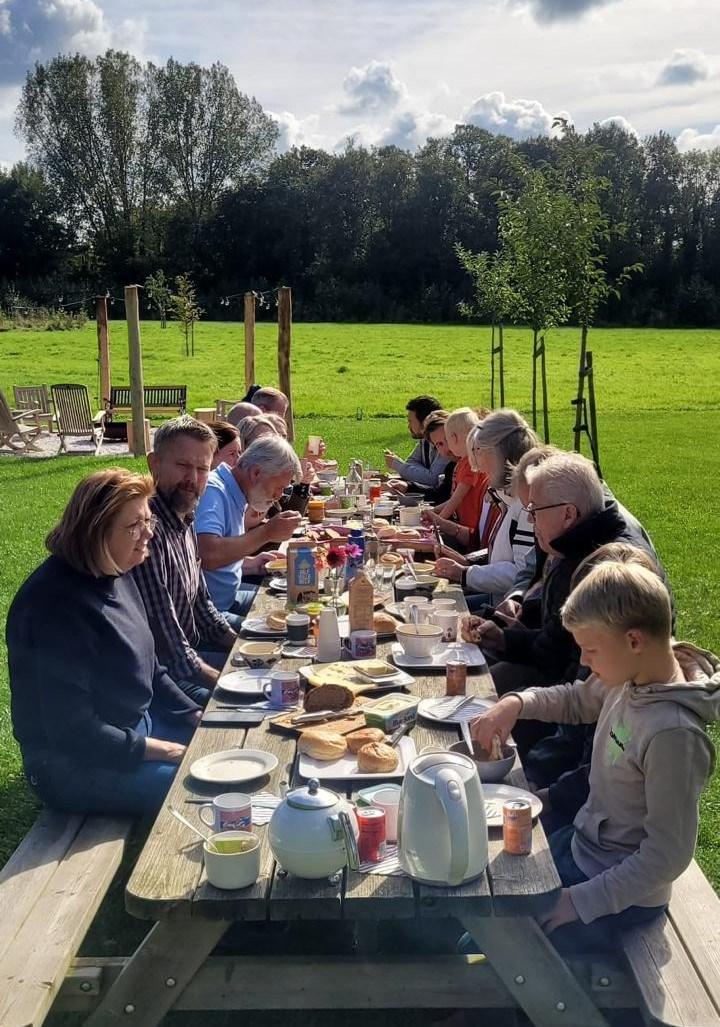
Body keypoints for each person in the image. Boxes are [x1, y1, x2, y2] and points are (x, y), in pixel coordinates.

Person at [471, 561, 719, 952]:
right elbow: (576, 700)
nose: (584, 662)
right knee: (485, 887)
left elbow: (667, 854)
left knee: (498, 944)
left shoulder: (673, 735)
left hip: (617, 895)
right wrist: (517, 703)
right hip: (582, 847)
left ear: (634, 640)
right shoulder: (631, 677)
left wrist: (579, 902)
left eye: (589, 650)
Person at [6, 469, 202, 817]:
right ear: (96, 531)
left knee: (224, 746)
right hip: (73, 765)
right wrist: (166, 750)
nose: (148, 534)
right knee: (201, 789)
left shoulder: (115, 570)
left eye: (149, 520)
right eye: (134, 526)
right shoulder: (55, 607)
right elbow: (73, 730)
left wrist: (193, 713)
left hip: (135, 728)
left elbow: (151, 668)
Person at [462, 451, 662, 698]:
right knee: (469, 678)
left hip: (593, 704)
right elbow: (556, 646)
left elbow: (583, 684)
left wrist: (520, 704)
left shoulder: (610, 570)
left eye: (534, 509)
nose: (529, 519)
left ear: (568, 513)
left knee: (476, 692)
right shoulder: (572, 540)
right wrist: (503, 639)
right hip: (562, 682)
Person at [132, 417, 237, 704]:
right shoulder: (147, 532)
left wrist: (241, 645)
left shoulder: (185, 516)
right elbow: (169, 647)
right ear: (154, 464)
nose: (192, 478)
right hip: (161, 680)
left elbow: (202, 605)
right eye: (182, 465)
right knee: (251, 704)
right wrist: (229, 681)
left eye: (202, 469)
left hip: (190, 657)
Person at [433, 409, 536, 607]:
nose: (477, 467)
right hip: (497, 599)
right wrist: (468, 561)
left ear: (498, 453)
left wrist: (466, 573)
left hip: (509, 609)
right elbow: (495, 551)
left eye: (478, 452)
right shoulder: (506, 497)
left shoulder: (526, 504)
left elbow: (522, 572)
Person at [196, 435, 302, 627]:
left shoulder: (235, 490)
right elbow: (208, 554)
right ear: (256, 473)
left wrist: (250, 564)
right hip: (210, 612)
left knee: (296, 605)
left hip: (230, 596)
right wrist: (266, 533)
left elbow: (211, 561)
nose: (278, 496)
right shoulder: (213, 490)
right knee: (284, 630)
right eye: (279, 487)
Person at [384, 395, 449, 491]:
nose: (408, 426)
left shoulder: (445, 444)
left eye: (410, 421)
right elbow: (411, 462)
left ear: (424, 422)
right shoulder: (424, 441)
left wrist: (399, 466)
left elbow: (433, 479)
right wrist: (425, 473)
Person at [420, 410, 455, 505]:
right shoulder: (452, 467)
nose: (447, 447)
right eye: (439, 444)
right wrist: (407, 487)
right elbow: (440, 496)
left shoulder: (471, 465)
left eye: (447, 439)